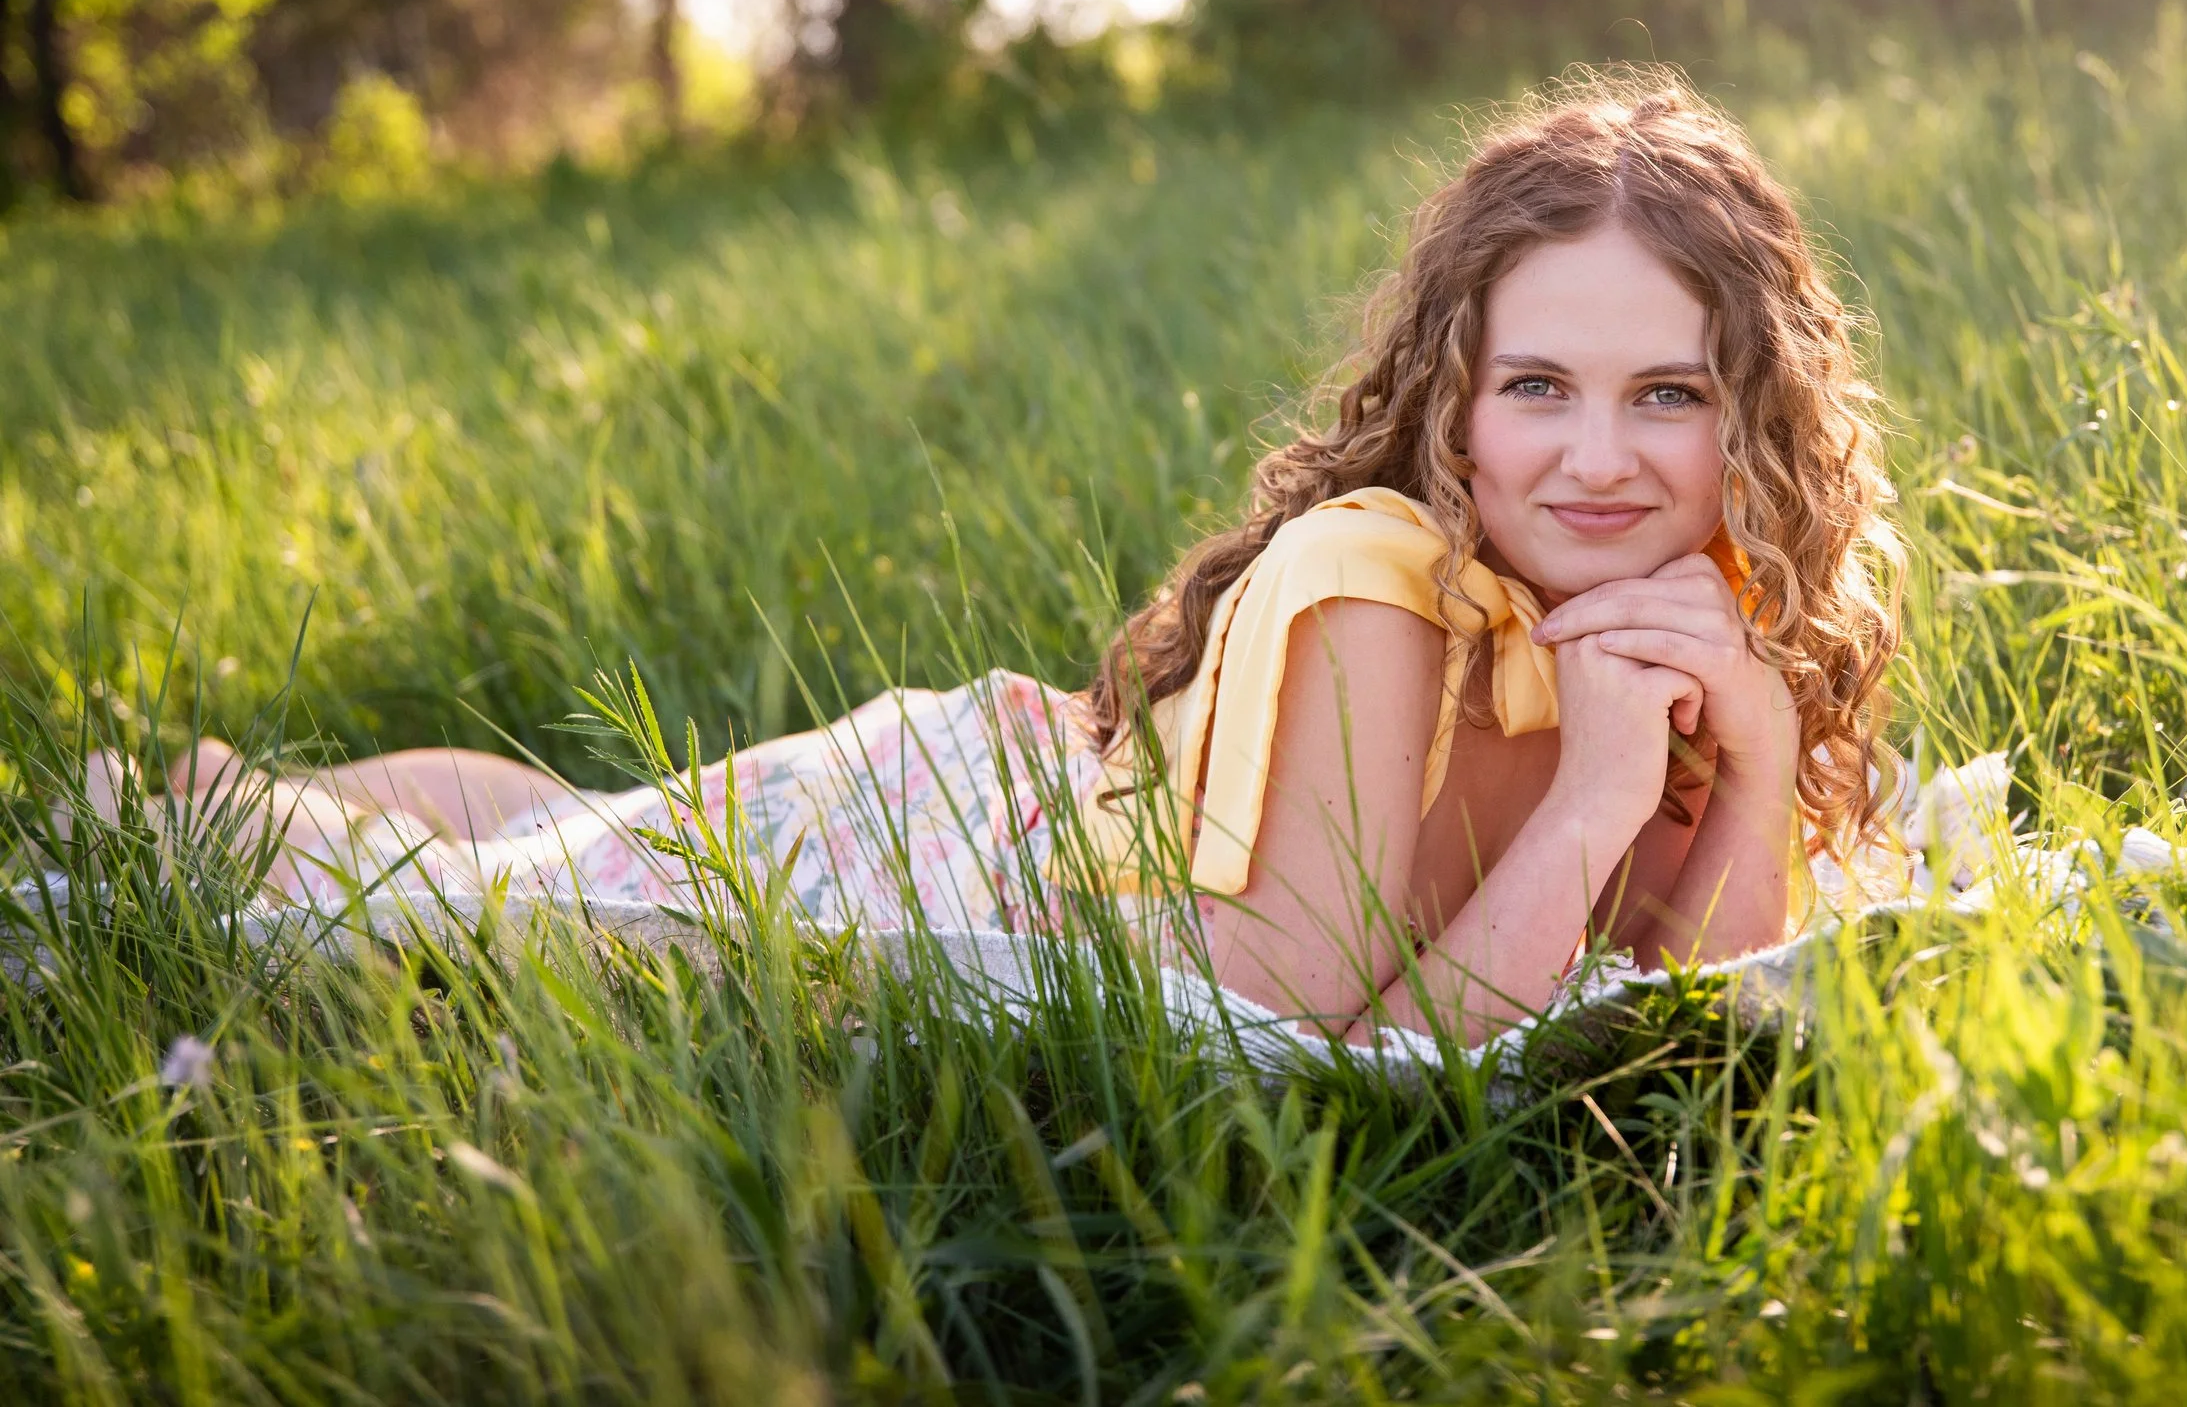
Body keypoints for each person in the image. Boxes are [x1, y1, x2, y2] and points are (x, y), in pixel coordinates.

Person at [65, 68, 1902, 1042]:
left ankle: (346, 793)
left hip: (1046, 793)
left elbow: (1699, 984)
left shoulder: (1707, 595)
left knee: (566, 820)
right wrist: (1589, 794)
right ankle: (219, 802)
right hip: (963, 840)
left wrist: (1740, 754)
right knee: (510, 911)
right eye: (1538, 388)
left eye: (1666, 391)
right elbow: (1325, 1028)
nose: (1598, 458)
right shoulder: (1376, 578)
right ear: (1453, 397)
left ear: (1750, 412)